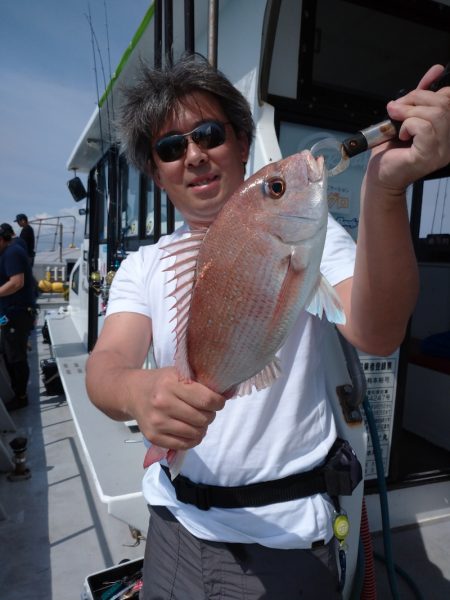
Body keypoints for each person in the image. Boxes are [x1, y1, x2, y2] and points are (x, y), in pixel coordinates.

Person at [85, 54, 450, 599]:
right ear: (156, 172)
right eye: (170, 147)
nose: (194, 155)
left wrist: (387, 189)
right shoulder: (146, 265)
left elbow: (377, 333)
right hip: (173, 525)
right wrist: (138, 391)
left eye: (209, 134)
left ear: (239, 141)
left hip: (284, 544)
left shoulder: (311, 242)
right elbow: (106, 366)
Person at [0, 224, 37, 410]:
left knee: (16, 357)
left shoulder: (12, 253)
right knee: (8, 354)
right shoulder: (7, 251)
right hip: (7, 314)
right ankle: (16, 392)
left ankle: (21, 397)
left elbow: (16, 283)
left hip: (16, 314)